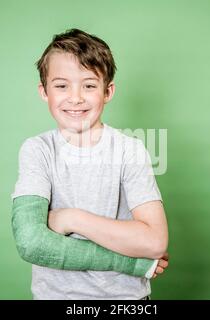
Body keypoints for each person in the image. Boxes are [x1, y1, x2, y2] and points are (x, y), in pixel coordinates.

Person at [11, 28, 169, 300]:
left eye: (89, 85)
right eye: (61, 85)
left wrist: (71, 218)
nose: (75, 98)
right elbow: (31, 242)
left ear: (107, 91)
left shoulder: (129, 150)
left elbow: (154, 242)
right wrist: (133, 263)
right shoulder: (37, 150)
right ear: (44, 92)